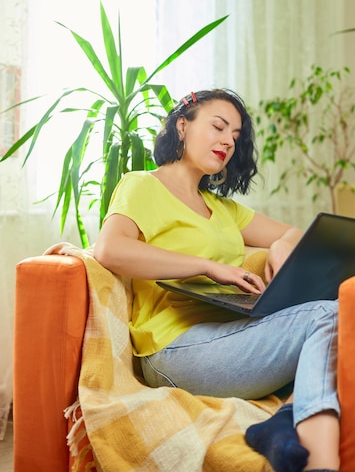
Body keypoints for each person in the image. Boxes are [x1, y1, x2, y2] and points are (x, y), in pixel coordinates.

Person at [93, 88, 340, 472]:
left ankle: (282, 423)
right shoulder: (141, 185)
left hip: (233, 337)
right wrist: (206, 265)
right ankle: (322, 464)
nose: (228, 140)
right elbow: (110, 250)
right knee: (326, 315)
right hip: (174, 348)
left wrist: (280, 245)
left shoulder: (224, 209)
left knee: (344, 312)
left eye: (236, 136)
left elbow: (296, 232)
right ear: (182, 126)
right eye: (219, 127)